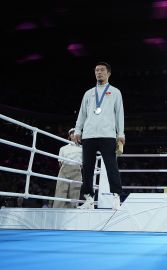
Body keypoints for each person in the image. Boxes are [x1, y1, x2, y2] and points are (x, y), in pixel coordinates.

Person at [74, 62, 125, 210]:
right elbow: (82, 114)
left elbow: (119, 114)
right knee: (87, 168)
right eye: (96, 70)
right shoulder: (88, 93)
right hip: (89, 135)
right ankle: (88, 199)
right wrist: (78, 130)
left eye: (102, 70)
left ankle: (116, 198)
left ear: (108, 73)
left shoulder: (115, 92)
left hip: (107, 134)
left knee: (111, 167)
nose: (99, 72)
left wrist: (120, 134)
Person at [52, 128, 83, 208]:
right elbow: (60, 162)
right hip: (65, 168)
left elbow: (83, 163)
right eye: (71, 133)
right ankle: (57, 211)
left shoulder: (83, 148)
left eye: (75, 133)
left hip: (77, 169)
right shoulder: (63, 148)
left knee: (74, 194)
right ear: (69, 136)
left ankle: (72, 211)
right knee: (60, 192)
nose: (73, 134)